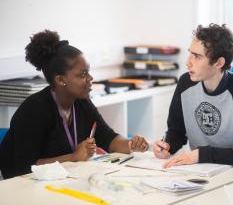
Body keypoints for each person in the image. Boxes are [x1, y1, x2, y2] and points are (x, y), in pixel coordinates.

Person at [0, 30, 149, 179]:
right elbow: (24, 167)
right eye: (82, 74)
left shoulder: (81, 102)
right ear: (60, 80)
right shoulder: (34, 110)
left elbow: (107, 138)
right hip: (23, 186)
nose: (90, 78)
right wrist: (73, 157)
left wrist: (131, 145)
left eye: (88, 72)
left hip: (63, 180)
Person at [153, 23, 233, 168]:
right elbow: (176, 131)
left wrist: (202, 154)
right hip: (200, 171)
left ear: (219, 62)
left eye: (197, 57)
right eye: (190, 53)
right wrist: (167, 146)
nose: (188, 63)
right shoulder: (185, 83)